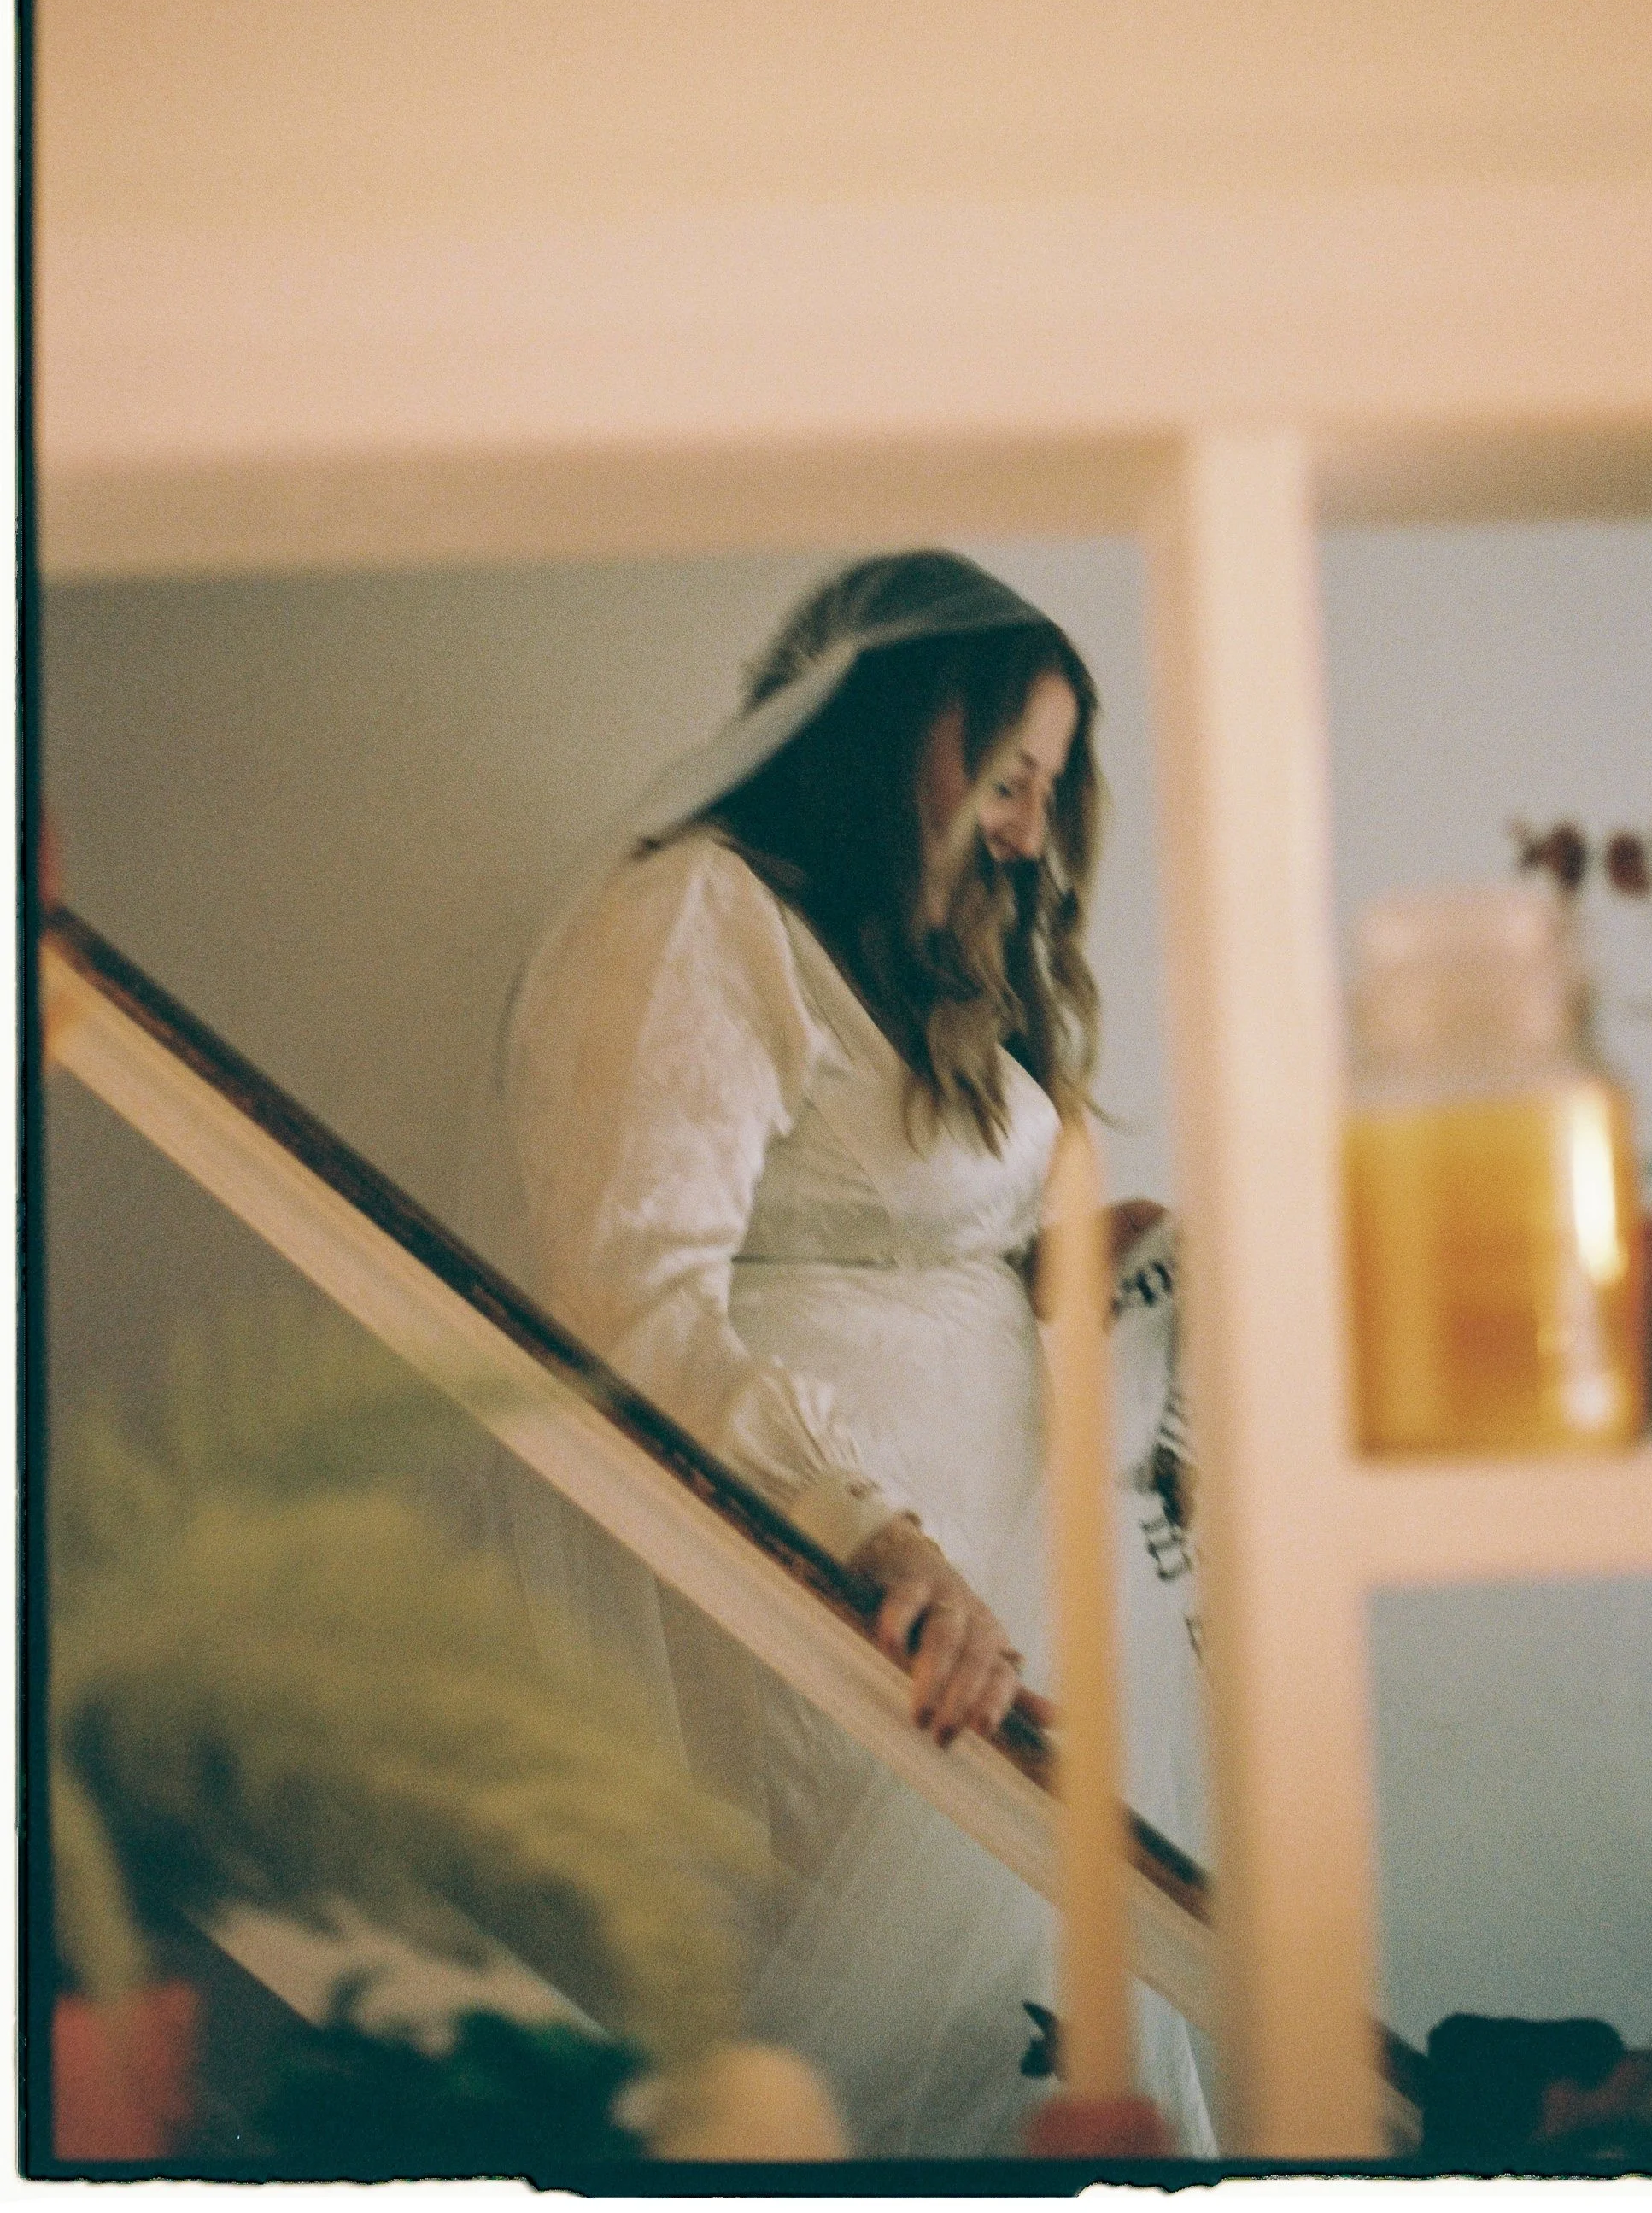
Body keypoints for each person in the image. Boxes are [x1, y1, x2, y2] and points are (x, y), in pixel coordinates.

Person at [473, 551, 1214, 2158]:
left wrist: (1079, 1258)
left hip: (994, 1589)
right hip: (837, 1592)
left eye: (1050, 789)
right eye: (1008, 777)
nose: (1028, 830)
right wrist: (866, 1539)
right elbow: (633, 1294)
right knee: (869, 2081)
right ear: (885, 728)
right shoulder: (690, 918)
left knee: (1047, 2057)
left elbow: (910, 1230)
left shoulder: (928, 968)